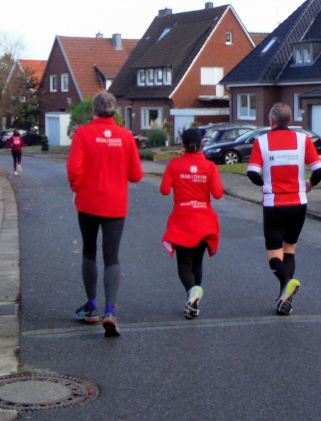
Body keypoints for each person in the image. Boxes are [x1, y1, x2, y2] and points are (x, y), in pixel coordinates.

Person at [66, 92, 143, 337]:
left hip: (88, 202)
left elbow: (73, 169)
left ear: (93, 111)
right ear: (114, 111)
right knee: (112, 255)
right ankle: (110, 311)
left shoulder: (82, 134)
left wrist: (76, 187)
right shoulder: (125, 136)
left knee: (89, 250)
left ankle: (91, 306)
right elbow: (136, 175)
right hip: (115, 204)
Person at [246, 103, 321, 316]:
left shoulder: (261, 141)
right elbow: (319, 169)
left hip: (274, 204)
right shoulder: (303, 140)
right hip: (298, 203)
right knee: (289, 249)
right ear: (290, 120)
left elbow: (252, 173)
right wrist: (310, 184)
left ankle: (287, 283)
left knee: (274, 254)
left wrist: (264, 184)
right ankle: (285, 299)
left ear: (271, 121)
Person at [159, 127, 223, 319]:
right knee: (197, 263)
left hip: (183, 221)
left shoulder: (174, 164)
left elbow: (164, 190)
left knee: (184, 265)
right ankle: (194, 301)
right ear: (202, 144)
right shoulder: (210, 167)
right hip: (204, 220)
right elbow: (218, 194)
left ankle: (191, 292)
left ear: (182, 144)